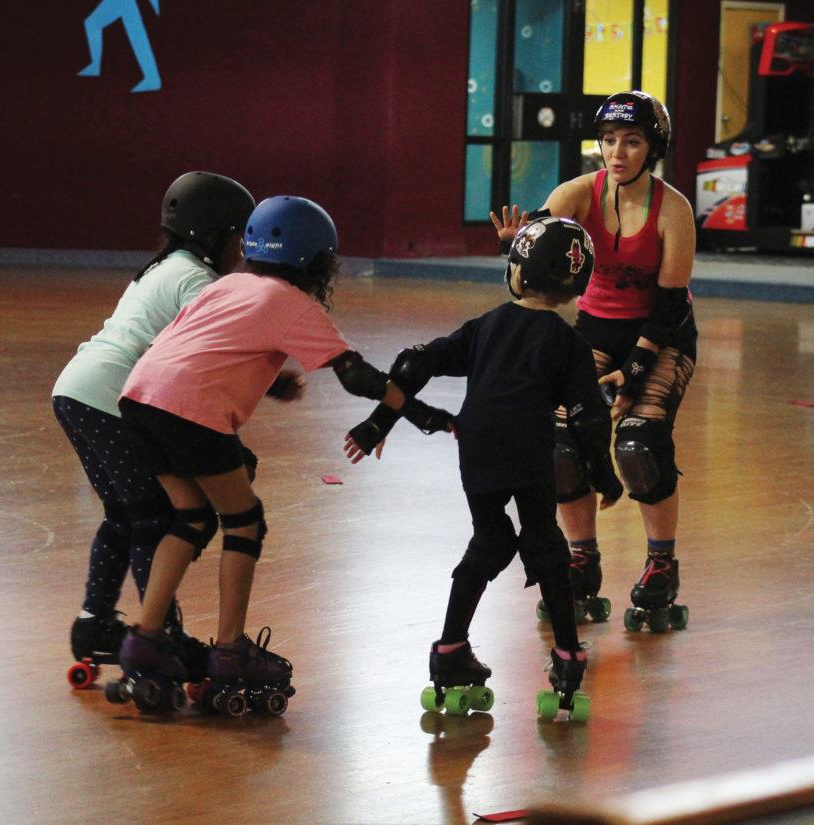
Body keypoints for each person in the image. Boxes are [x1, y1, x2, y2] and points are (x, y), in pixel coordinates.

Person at [111, 195, 453, 716]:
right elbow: (356, 375)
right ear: (315, 261)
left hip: (138, 398)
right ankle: (229, 650)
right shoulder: (292, 302)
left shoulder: (227, 284)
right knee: (244, 522)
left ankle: (145, 637)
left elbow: (192, 345)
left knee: (190, 516)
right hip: (188, 408)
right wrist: (420, 412)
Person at [345, 217, 623, 720]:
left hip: (477, 446)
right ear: (576, 284)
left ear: (517, 270)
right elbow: (588, 416)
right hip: (529, 450)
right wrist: (603, 475)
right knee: (543, 542)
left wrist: (380, 422)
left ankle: (450, 651)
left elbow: (415, 362)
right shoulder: (567, 343)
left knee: (490, 540)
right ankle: (566, 657)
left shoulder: (486, 326)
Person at [491, 90, 696, 633]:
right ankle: (581, 557)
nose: (617, 152)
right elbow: (535, 262)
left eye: (631, 142)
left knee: (638, 444)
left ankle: (661, 565)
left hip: (663, 335)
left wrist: (632, 373)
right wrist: (516, 247)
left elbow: (670, 307)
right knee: (562, 444)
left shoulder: (672, 209)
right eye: (608, 141)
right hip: (596, 333)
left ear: (652, 148)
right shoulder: (578, 194)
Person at [52, 171, 256, 689]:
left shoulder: (163, 267)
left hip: (77, 391)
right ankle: (157, 634)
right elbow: (205, 349)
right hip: (113, 397)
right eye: (241, 237)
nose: (243, 249)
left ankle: (96, 623)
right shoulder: (197, 280)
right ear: (217, 235)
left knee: (123, 514)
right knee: (159, 518)